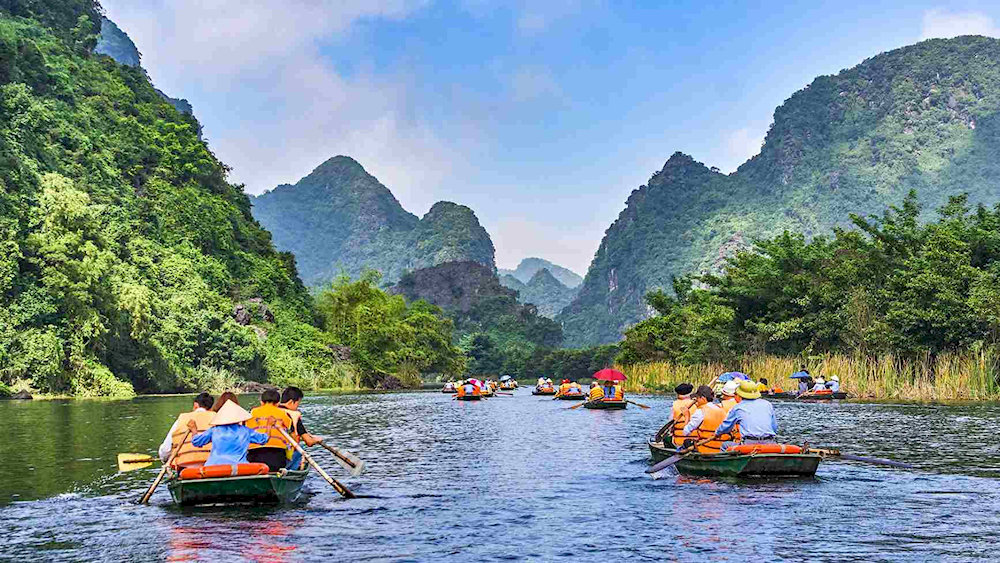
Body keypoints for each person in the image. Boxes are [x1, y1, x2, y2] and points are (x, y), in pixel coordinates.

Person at [187, 401, 269, 466]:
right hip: (239, 466)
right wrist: (269, 426)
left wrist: (194, 430)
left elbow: (196, 442)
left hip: (214, 465)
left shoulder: (214, 430)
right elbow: (264, 439)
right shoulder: (246, 431)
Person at [714, 381, 778, 449]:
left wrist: (717, 433)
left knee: (725, 445)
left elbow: (726, 427)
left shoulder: (738, 407)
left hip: (749, 443)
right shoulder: (767, 404)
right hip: (770, 442)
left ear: (739, 395)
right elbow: (774, 427)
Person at [158, 392, 214, 465]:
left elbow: (165, 449)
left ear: (195, 405)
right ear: (211, 407)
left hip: (184, 466)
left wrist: (164, 460)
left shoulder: (182, 419)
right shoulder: (217, 418)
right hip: (213, 465)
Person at [246, 389, 294, 472]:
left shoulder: (252, 412)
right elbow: (292, 432)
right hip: (277, 454)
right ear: (278, 403)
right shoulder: (283, 413)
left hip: (254, 454)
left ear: (261, 402)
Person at [279, 386, 324, 470]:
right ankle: (291, 472)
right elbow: (309, 442)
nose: (297, 407)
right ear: (291, 402)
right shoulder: (293, 415)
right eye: (297, 404)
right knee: (301, 451)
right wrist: (318, 439)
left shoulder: (271, 411)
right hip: (283, 457)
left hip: (260, 453)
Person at [681, 386, 731, 453]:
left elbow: (685, 432)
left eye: (697, 399)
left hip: (705, 449)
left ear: (703, 398)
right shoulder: (722, 410)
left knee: (686, 442)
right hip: (721, 449)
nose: (696, 401)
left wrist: (687, 416)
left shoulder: (700, 412)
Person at [670, 383, 696, 447]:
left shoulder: (675, 404)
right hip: (695, 441)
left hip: (678, 441)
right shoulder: (697, 404)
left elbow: (671, 426)